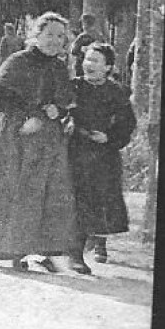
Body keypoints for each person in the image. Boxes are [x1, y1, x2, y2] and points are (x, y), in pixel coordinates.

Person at [0, 12, 80, 272]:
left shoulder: (59, 67)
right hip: (15, 135)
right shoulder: (18, 61)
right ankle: (13, 250)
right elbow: (4, 94)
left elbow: (65, 98)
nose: (54, 41)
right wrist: (31, 115)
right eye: (49, 34)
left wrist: (58, 111)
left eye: (60, 36)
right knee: (14, 190)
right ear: (36, 35)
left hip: (46, 140)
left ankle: (43, 250)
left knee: (45, 192)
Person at [68, 42, 135, 268]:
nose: (89, 64)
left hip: (105, 155)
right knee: (79, 199)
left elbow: (127, 124)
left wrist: (110, 138)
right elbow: (63, 113)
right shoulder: (74, 87)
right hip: (76, 151)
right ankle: (76, 255)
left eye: (96, 61)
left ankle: (100, 242)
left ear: (108, 67)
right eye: (87, 59)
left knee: (104, 198)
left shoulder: (116, 92)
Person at [70, 12, 103, 78]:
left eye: (83, 23)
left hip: (82, 66)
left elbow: (73, 51)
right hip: (96, 66)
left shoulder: (82, 37)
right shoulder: (99, 36)